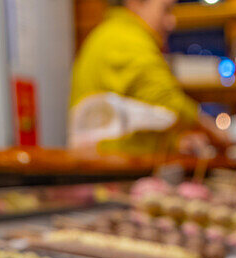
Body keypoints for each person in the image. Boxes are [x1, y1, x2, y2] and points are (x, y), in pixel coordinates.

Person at [69, 0, 227, 155]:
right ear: (136, 3)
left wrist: (175, 143)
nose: (171, 22)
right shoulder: (125, 38)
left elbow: (138, 125)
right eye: (166, 10)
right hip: (106, 172)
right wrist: (214, 133)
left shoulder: (112, 33)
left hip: (106, 163)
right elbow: (168, 104)